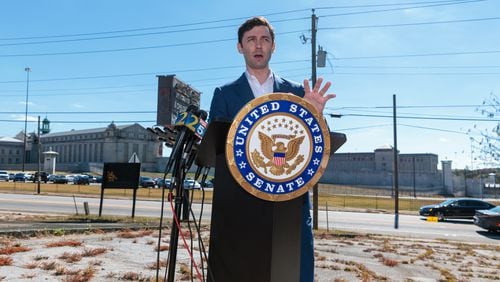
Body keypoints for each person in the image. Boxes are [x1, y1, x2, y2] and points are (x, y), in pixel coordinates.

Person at [209, 16, 335, 282]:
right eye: (251, 40)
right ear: (240, 47)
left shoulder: (297, 93)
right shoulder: (224, 94)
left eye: (265, 39)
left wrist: (315, 115)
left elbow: (312, 147)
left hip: (289, 209)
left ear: (273, 47)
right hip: (241, 211)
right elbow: (215, 150)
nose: (258, 45)